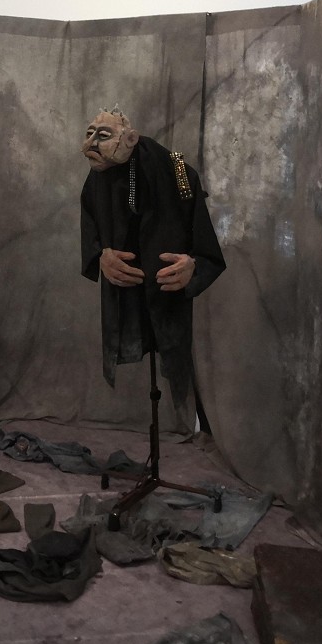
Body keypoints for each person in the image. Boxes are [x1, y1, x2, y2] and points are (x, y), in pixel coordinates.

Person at [79, 108, 225, 427]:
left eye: (103, 135)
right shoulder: (98, 175)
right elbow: (90, 222)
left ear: (130, 139)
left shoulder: (177, 170)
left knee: (170, 344)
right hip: (126, 290)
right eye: (89, 134)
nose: (91, 143)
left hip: (165, 289)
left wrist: (193, 265)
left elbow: (204, 244)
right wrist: (101, 255)